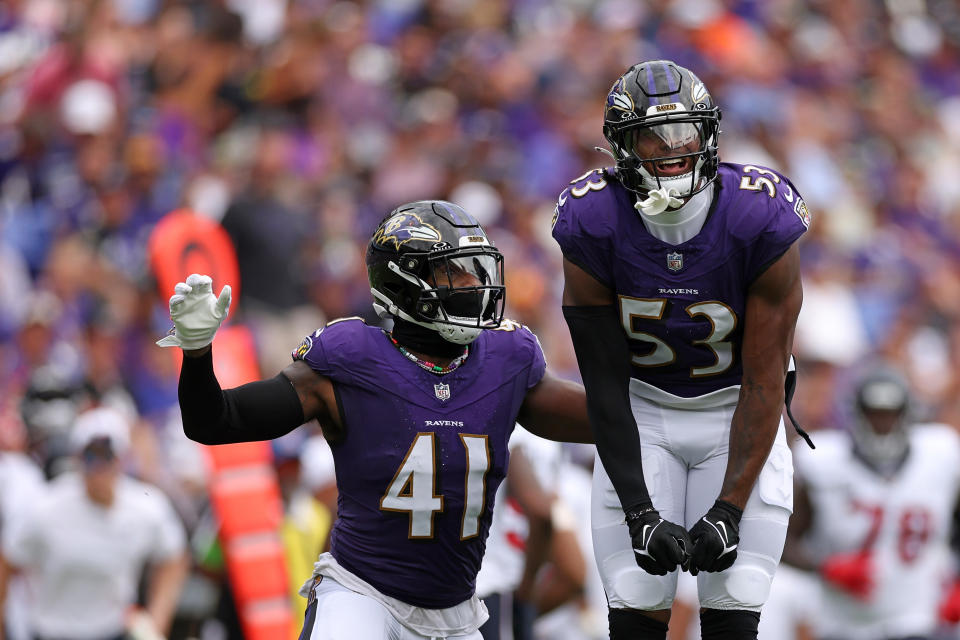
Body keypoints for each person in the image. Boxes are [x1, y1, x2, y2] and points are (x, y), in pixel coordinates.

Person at [157, 200, 594, 640]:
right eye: (454, 272)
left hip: (457, 612)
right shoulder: (351, 360)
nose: (473, 284)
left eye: (476, 270)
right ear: (403, 283)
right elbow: (214, 422)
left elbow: (609, 419)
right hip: (362, 597)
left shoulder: (506, 361)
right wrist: (196, 352)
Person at [551, 60, 810, 639]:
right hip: (642, 411)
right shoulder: (592, 219)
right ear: (621, 146)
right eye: (652, 136)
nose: (671, 150)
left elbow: (766, 383)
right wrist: (640, 513)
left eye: (684, 133)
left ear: (710, 133)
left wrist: (730, 510)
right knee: (637, 598)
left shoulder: (757, 215)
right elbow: (604, 385)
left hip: (736, 411)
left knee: (735, 601)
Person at [783, 366, 960, 640]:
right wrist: (825, 567)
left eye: (891, 413)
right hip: (842, 624)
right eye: (874, 413)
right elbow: (781, 540)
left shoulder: (941, 453)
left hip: (921, 621)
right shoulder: (822, 461)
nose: (883, 422)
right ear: (857, 413)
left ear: (907, 413)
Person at [0, 407, 189, 640]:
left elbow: (174, 556)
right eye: (91, 456)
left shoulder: (147, 508)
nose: (99, 467)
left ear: (122, 458)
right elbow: (7, 560)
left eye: (107, 455)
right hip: (53, 634)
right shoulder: (45, 508)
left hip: (114, 632)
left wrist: (157, 621)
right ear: (78, 459)